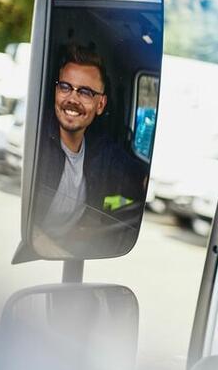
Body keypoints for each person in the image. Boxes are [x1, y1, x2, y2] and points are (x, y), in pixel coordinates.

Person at [31, 43, 140, 254]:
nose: (72, 99)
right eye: (65, 87)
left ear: (101, 105)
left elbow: (138, 179)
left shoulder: (102, 149)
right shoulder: (38, 144)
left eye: (85, 92)